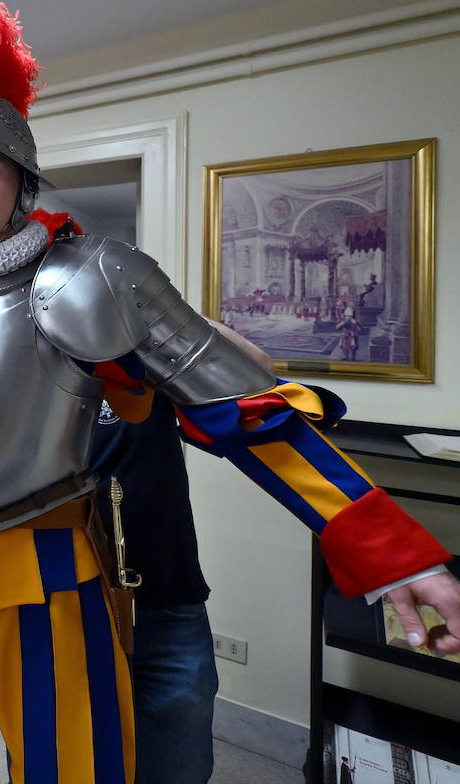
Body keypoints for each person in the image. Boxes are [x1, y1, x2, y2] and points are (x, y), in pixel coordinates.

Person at [0, 1, 460, 783]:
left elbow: (247, 414)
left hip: (47, 551)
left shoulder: (95, 274)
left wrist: (389, 548)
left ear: (20, 181)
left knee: (73, 765)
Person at [90, 320, 271, 784]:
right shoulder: (19, 355)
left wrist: (159, 311)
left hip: (167, 594)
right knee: (72, 758)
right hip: (67, 603)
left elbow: (258, 374)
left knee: (178, 762)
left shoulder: (136, 348)